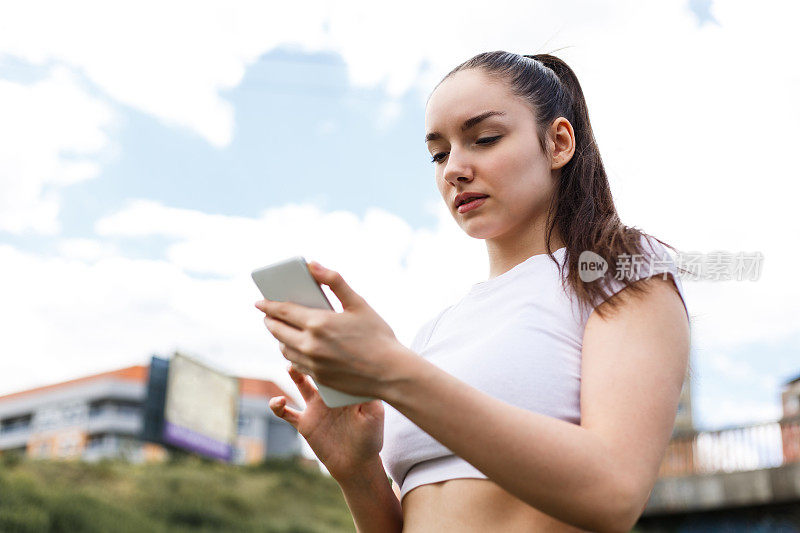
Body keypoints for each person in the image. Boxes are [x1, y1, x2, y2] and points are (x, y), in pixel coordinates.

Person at [254, 50, 691, 532]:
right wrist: (358, 473)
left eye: (484, 139)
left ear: (558, 143)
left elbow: (613, 492)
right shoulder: (436, 332)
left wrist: (394, 370)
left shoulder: (621, 267)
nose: (453, 169)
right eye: (438, 153)